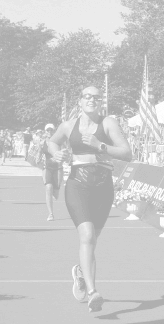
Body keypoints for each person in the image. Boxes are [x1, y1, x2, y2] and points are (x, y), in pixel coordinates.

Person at [46, 85, 132, 312]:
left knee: (93, 241)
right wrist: (57, 153)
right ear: (80, 101)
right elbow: (52, 142)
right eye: (87, 96)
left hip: (103, 185)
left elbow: (127, 153)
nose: (92, 100)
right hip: (77, 184)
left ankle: (80, 273)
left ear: (100, 101)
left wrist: (100, 145)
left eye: (96, 97)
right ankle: (93, 292)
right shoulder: (68, 126)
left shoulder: (108, 123)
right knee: (86, 235)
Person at [41, 123, 62, 220]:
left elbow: (67, 152)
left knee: (56, 194)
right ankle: (50, 214)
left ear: (54, 131)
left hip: (58, 168)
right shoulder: (42, 142)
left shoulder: (60, 142)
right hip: (47, 167)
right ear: (45, 132)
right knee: (48, 187)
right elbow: (37, 154)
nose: (49, 132)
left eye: (51, 130)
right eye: (47, 130)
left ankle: (56, 191)